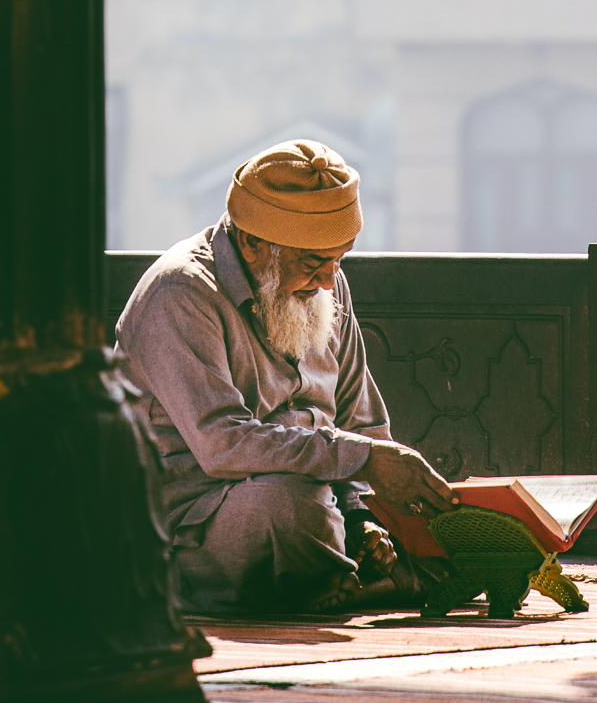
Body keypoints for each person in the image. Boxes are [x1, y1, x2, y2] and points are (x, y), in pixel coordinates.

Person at [116, 137, 455, 614]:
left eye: (340, 259)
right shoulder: (180, 294)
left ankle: (333, 576)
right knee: (292, 511)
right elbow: (224, 445)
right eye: (314, 263)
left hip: (324, 497)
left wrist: (360, 515)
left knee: (460, 523)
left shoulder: (327, 279)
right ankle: (355, 582)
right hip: (198, 518)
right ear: (254, 243)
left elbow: (361, 421)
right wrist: (363, 461)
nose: (327, 279)